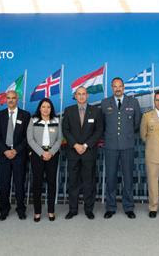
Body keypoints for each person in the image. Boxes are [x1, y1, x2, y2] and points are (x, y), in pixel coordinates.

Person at [101, 77, 141, 219]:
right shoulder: (105, 103)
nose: (117, 89)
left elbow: (137, 123)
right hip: (111, 145)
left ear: (124, 88)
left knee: (128, 177)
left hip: (127, 145)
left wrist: (127, 135)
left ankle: (128, 207)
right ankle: (110, 207)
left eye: (120, 86)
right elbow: (103, 125)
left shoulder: (133, 102)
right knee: (110, 177)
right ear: (112, 88)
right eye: (115, 86)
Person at [62, 86, 103, 220]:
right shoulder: (68, 111)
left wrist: (85, 145)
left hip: (88, 152)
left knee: (88, 182)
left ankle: (88, 209)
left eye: (83, 94)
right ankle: (72, 209)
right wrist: (75, 145)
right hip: (73, 152)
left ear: (87, 96)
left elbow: (99, 131)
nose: (81, 96)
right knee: (73, 182)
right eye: (78, 94)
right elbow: (65, 130)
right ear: (75, 96)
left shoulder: (96, 111)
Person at [0, 90, 31, 221]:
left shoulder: (25, 115)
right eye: (8, 98)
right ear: (6, 99)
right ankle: (4, 210)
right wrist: (5, 150)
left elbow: (28, 137)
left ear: (17, 99)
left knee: (19, 183)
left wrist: (16, 150)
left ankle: (21, 209)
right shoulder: (0, 115)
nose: (10, 100)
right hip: (4, 155)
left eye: (13, 98)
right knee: (4, 184)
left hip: (19, 155)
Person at [27, 98, 62, 222]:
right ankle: (37, 211)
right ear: (40, 108)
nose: (46, 109)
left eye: (48, 107)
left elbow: (59, 139)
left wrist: (51, 153)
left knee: (52, 183)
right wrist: (42, 153)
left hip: (52, 155)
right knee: (37, 183)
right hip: (37, 155)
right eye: (43, 107)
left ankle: (51, 211)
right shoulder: (33, 120)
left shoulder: (57, 120)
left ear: (51, 108)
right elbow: (30, 139)